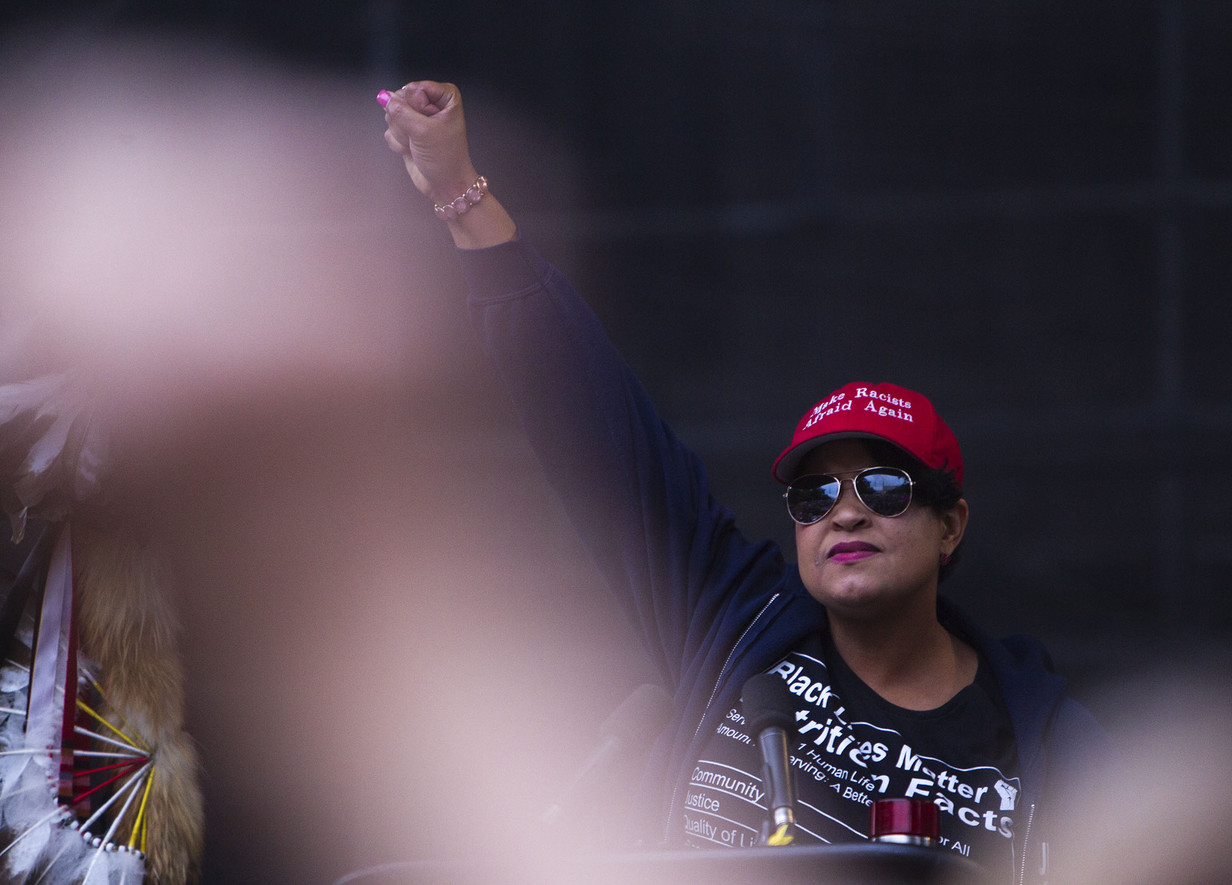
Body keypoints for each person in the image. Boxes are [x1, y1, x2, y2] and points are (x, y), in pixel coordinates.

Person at [381, 80, 1114, 883]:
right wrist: (460, 193)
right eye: (814, 496)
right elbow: (590, 423)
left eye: (882, 488)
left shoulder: (1050, 745)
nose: (843, 514)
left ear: (951, 524)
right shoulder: (733, 621)